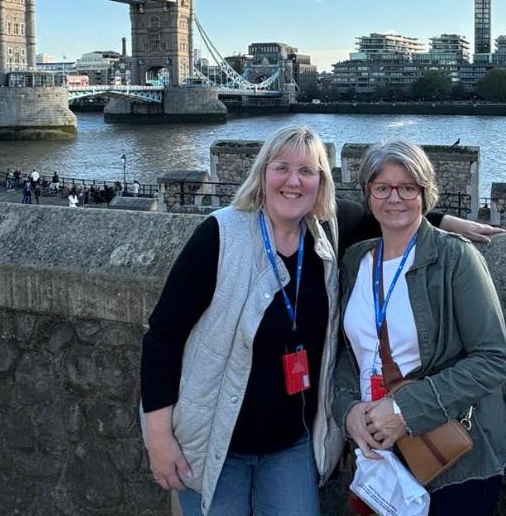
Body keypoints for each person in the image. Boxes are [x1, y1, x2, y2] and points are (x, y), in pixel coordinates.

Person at [140, 125, 498, 516]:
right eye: (281, 168)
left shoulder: (327, 233)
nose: (293, 181)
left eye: (307, 171)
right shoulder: (220, 235)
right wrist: (158, 436)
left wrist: (444, 222)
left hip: (293, 445)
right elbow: (163, 335)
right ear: (262, 174)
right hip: (216, 442)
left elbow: (394, 211)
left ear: (321, 183)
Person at [333, 140, 506, 516]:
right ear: (368, 194)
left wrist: (404, 411)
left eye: (408, 187)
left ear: (425, 194)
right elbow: (349, 354)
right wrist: (348, 412)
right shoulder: (355, 261)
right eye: (383, 187)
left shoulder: (455, 257)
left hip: (452, 459)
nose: (394, 198)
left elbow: (494, 358)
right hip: (376, 455)